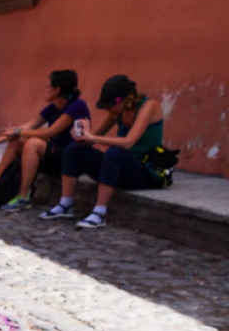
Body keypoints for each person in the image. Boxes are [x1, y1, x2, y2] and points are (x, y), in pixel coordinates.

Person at [40, 74, 166, 229]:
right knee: (74, 149)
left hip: (144, 171)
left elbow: (128, 142)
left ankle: (99, 212)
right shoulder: (117, 112)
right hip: (119, 168)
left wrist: (93, 137)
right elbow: (94, 137)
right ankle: (66, 204)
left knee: (115, 152)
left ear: (122, 100)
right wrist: (82, 137)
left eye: (109, 105)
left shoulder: (149, 106)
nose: (107, 109)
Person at [0, 70, 90, 211]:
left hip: (70, 159)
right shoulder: (53, 108)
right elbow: (24, 128)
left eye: (48, 86)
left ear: (57, 89)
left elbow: (49, 132)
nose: (46, 89)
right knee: (17, 141)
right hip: (53, 155)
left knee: (33, 143)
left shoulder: (77, 106)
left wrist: (19, 131)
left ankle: (23, 197)